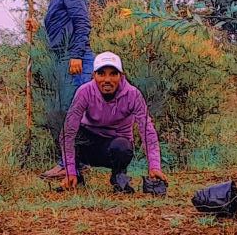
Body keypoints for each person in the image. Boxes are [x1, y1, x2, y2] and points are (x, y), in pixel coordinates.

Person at [23, 0, 94, 179]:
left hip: (75, 62)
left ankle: (69, 164)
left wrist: (76, 56)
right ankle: (73, 164)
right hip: (62, 61)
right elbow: (58, 37)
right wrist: (38, 29)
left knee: (74, 112)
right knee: (66, 112)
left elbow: (82, 23)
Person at [60, 52, 167, 193]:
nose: (107, 79)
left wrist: (154, 167)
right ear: (94, 76)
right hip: (88, 143)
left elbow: (147, 130)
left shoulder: (133, 95)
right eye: (101, 74)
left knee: (122, 146)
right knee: (67, 131)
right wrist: (70, 170)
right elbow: (69, 131)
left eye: (113, 74)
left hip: (115, 144)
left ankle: (118, 175)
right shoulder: (84, 92)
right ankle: (76, 174)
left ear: (121, 76)